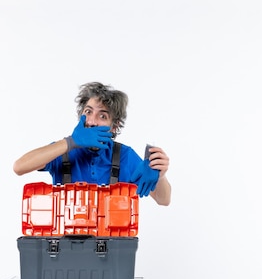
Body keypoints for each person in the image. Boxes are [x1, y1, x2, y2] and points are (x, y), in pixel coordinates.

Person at [13, 82, 171, 206]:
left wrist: (160, 175)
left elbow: (163, 200)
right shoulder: (63, 150)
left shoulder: (124, 156)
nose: (92, 122)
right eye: (88, 112)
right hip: (67, 244)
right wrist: (70, 142)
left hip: (112, 245)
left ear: (114, 126)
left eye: (102, 116)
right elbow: (19, 167)